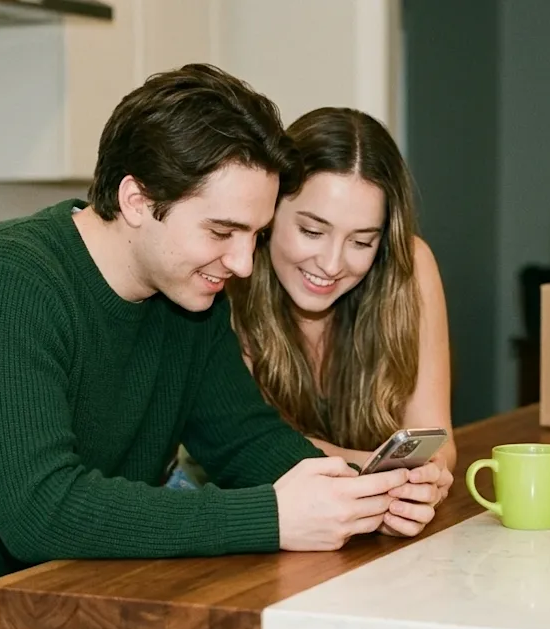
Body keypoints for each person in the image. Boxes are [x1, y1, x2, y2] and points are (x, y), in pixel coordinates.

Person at [0, 65, 443, 629]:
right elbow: (43, 510)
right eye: (222, 232)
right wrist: (277, 515)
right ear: (139, 200)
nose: (243, 264)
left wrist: (364, 490)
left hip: (58, 598)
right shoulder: (4, 282)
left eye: (253, 236)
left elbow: (246, 439)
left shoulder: (189, 300)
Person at [170, 107, 456, 537]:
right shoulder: (225, 280)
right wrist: (379, 474)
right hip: (222, 519)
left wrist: (426, 481)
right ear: (268, 213)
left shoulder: (409, 267)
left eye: (362, 241)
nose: (332, 263)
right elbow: (253, 446)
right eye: (312, 231)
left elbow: (436, 438)